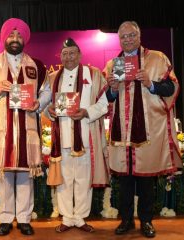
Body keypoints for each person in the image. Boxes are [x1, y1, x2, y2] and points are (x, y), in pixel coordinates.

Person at [104, 21, 182, 238]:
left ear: (139, 36)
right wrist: (111, 89)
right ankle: (126, 220)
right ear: (119, 39)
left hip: (148, 131)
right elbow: (106, 99)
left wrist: (151, 84)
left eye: (131, 35)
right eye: (123, 37)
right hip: (122, 132)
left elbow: (172, 87)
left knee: (147, 180)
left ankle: (146, 221)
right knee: (125, 180)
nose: (127, 40)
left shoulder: (157, 58)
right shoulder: (113, 64)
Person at [0, 18, 51, 236]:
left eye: (19, 35)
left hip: (27, 128)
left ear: (25, 39)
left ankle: (25, 218)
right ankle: (7, 218)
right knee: (6, 176)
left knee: (26, 175)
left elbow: (46, 91)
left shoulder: (37, 65)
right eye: (12, 35)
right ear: (4, 38)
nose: (15, 39)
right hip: (3, 129)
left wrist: (40, 103)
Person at [46, 38, 109, 233]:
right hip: (62, 135)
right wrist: (49, 111)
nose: (68, 57)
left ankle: (80, 217)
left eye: (72, 53)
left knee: (83, 179)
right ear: (60, 57)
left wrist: (87, 112)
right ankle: (66, 217)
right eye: (65, 54)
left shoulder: (94, 75)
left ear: (80, 55)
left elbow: (104, 104)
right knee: (64, 179)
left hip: (85, 135)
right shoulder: (52, 77)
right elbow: (44, 105)